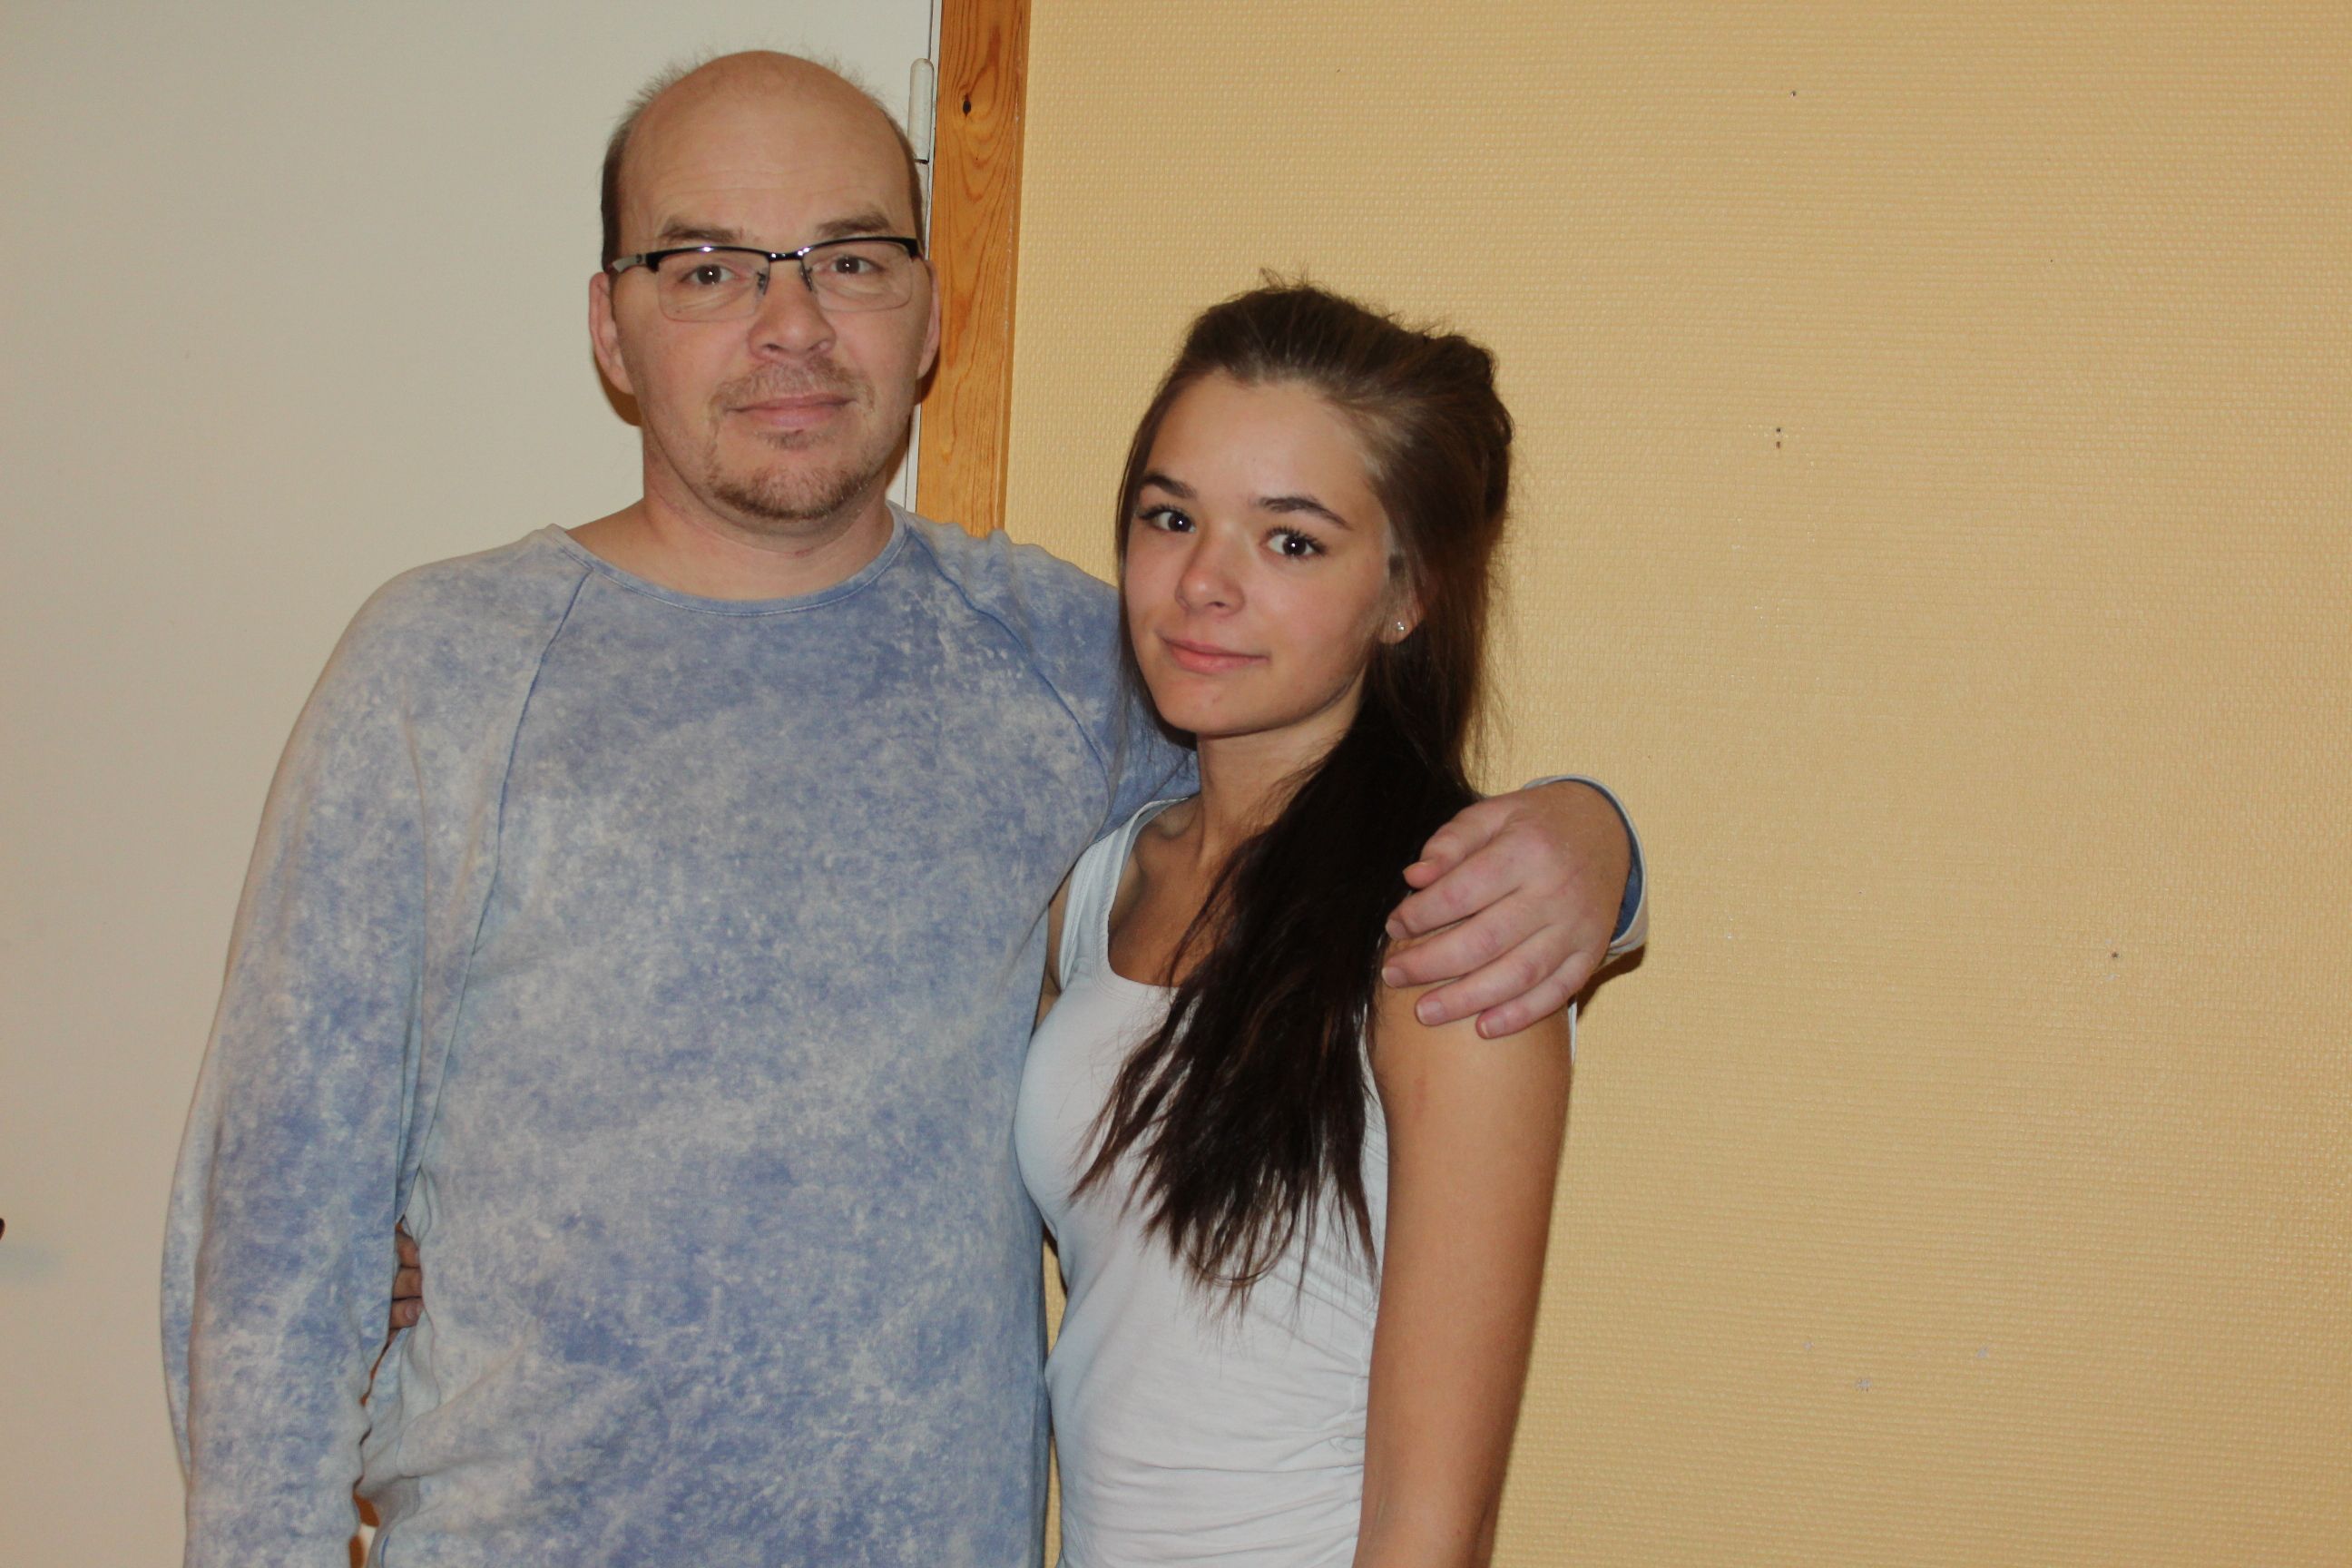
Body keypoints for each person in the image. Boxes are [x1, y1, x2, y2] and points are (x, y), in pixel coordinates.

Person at [162, 52, 1643, 1567]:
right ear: (611, 326)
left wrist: (1599, 848)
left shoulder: (1071, 663)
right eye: (708, 266)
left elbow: (1332, 800)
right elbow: (271, 1239)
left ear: (933, 313)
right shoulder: (442, 672)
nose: (790, 324)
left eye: (852, 259)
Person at [1020, 284, 1568, 1567]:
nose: (1202, 585)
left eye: (1291, 542)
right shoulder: (1099, 886)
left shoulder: (1451, 934)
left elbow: (1436, 1527)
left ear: (1407, 592)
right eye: (1170, 518)